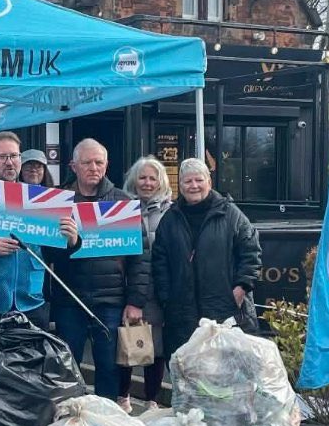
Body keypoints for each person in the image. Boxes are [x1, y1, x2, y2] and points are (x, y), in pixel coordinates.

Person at [49, 138, 149, 402]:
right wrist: (69, 243)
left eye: (98, 162)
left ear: (106, 165)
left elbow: (140, 259)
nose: (93, 168)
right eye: (87, 163)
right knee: (67, 367)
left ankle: (106, 417)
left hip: (111, 301)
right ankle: (69, 416)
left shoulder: (123, 203)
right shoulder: (58, 201)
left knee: (109, 368)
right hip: (70, 299)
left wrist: (136, 302)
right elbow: (47, 253)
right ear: (73, 166)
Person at [151, 157, 262, 362]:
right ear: (180, 186)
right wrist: (167, 298)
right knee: (187, 370)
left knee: (226, 370)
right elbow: (160, 263)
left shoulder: (231, 214)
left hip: (224, 309)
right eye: (188, 181)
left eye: (199, 180)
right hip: (182, 314)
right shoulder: (170, 220)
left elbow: (251, 253)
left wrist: (241, 288)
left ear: (209, 182)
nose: (194, 186)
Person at [0, 130, 78, 329]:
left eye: (14, 156)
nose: (9, 162)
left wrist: (72, 241)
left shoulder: (39, 198)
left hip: (33, 304)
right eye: (2, 157)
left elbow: (52, 254)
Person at [117, 156, 173, 410]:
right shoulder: (120, 208)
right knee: (126, 343)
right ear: (133, 180)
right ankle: (123, 398)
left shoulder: (171, 212)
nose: (147, 183)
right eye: (142, 178)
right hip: (128, 287)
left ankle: (152, 400)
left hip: (158, 290)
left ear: (161, 182)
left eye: (152, 178)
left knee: (156, 349)